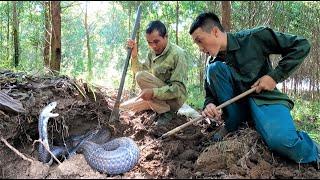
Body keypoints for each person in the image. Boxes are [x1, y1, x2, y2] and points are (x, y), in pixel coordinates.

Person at [189, 12, 319, 166]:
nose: (200, 48)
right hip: (237, 110)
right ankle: (234, 125)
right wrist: (209, 105)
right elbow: (210, 94)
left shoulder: (254, 37)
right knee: (214, 69)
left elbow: (301, 45)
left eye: (200, 41)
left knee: (283, 142)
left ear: (215, 32)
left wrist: (274, 76)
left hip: (265, 100)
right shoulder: (211, 63)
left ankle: (315, 151)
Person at [120, 20, 188, 125]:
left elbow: (178, 90)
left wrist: (153, 92)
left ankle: (167, 113)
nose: (153, 46)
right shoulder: (152, 53)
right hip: (158, 98)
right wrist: (134, 55)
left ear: (166, 37)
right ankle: (159, 108)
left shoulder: (178, 54)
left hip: (173, 100)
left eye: (156, 41)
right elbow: (139, 71)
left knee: (140, 77)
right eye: (149, 42)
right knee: (123, 108)